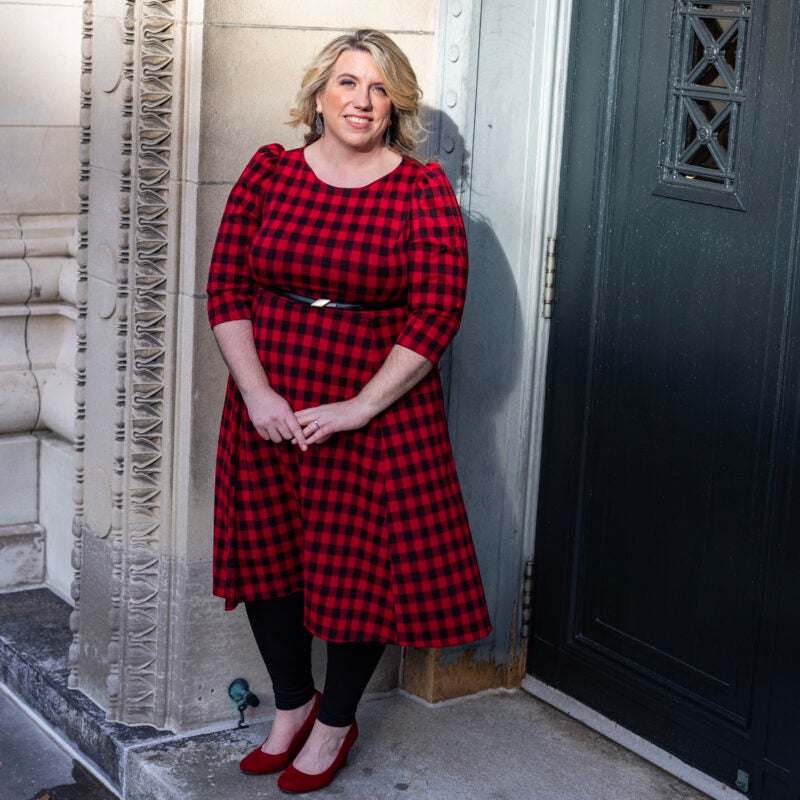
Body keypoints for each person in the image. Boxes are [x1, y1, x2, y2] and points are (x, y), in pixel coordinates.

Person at [206, 29, 491, 794]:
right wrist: (259, 392)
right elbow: (227, 288)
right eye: (346, 84)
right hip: (268, 407)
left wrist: (360, 407)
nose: (361, 101)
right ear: (319, 95)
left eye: (377, 87)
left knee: (357, 575)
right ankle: (291, 708)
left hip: (376, 416)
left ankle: (334, 723)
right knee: (270, 564)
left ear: (394, 101)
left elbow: (437, 314)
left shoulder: (419, 190)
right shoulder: (269, 173)